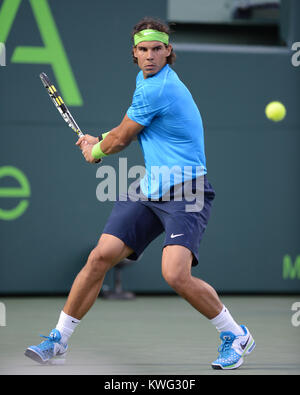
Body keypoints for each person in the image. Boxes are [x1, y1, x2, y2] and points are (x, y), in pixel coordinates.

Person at [25, 17, 255, 370]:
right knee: (101, 256)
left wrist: (98, 150)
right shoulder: (144, 80)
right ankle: (59, 339)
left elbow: (122, 138)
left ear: (168, 52)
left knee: (175, 274)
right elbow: (129, 128)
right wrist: (99, 138)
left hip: (187, 189)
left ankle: (235, 334)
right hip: (150, 189)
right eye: (143, 50)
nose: (150, 56)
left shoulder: (159, 88)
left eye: (157, 49)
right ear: (134, 53)